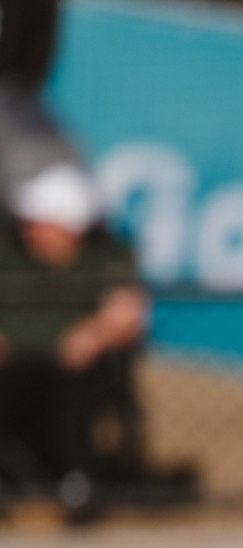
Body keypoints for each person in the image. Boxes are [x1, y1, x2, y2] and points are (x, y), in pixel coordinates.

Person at [0, 160, 154, 516]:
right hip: (13, 368)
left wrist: (95, 334)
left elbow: (126, 314)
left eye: (43, 220)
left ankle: (78, 485)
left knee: (78, 388)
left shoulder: (108, 258)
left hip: (78, 372)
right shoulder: (9, 254)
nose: (32, 229)